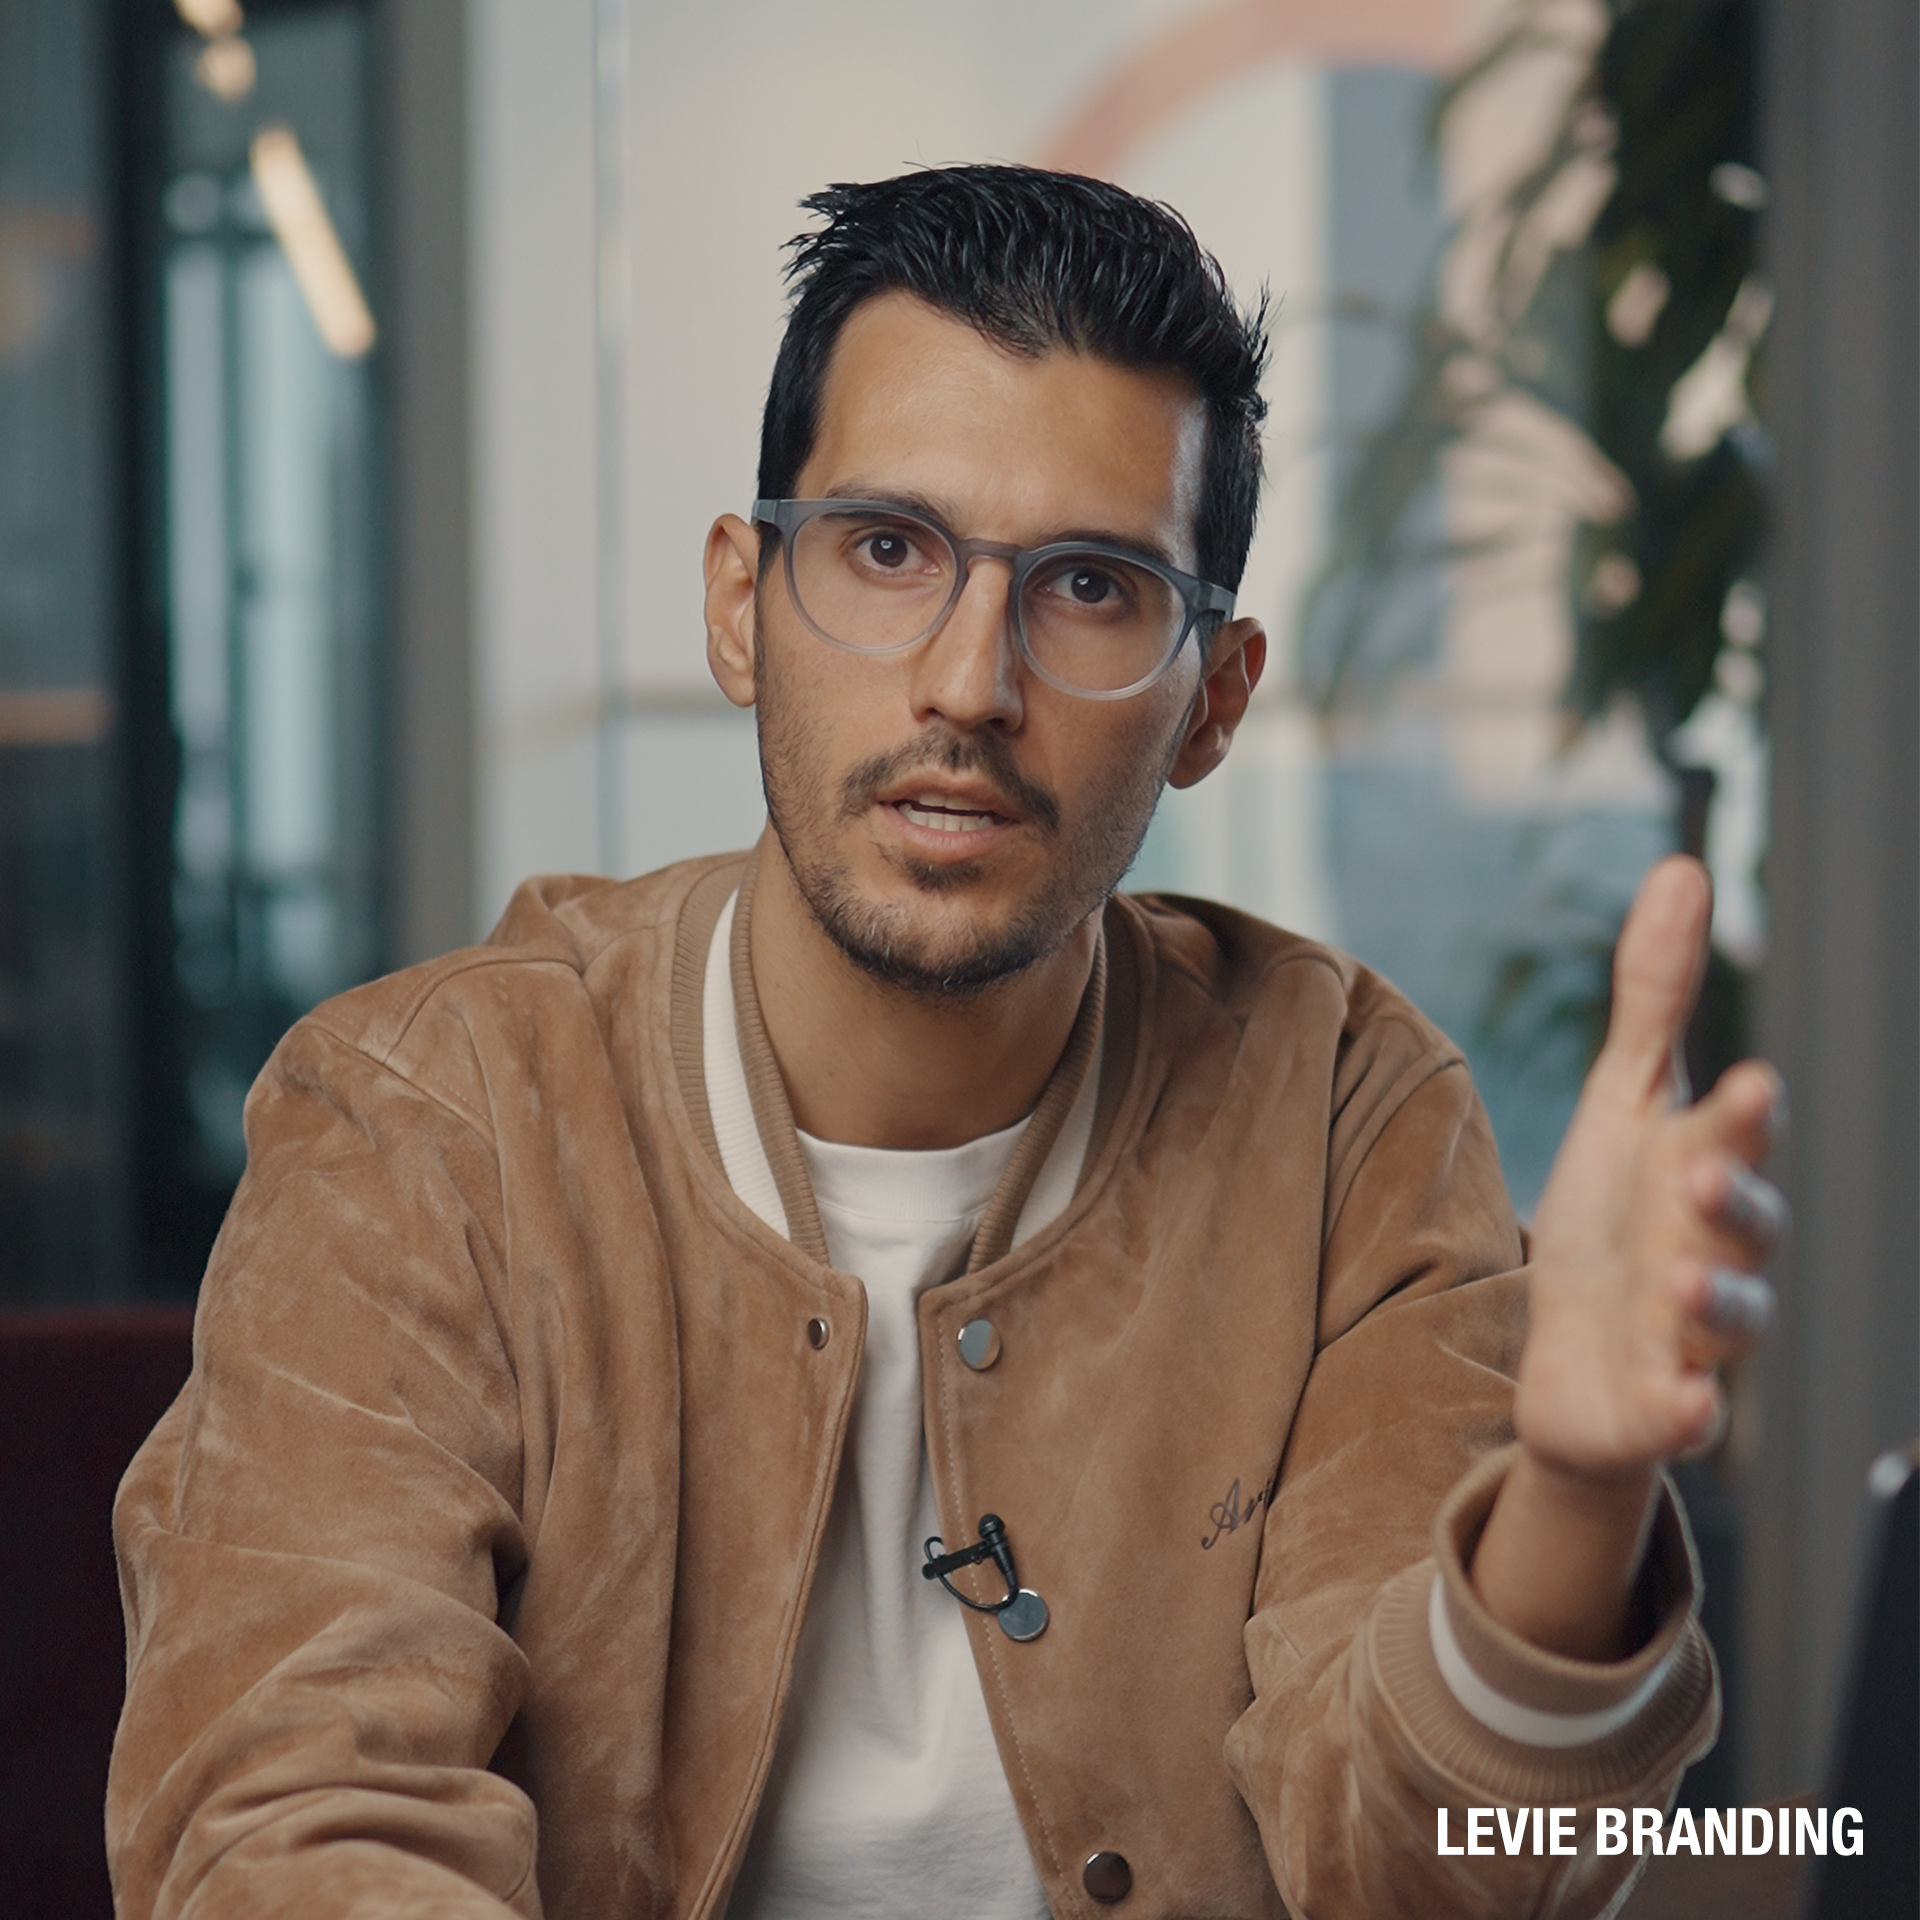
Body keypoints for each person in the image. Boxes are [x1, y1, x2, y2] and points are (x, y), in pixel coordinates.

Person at [108, 166, 1784, 1920]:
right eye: (888, 549)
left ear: (1212, 699)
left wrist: (1575, 1497)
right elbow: (294, 1829)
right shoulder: (426, 1123)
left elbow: (1417, 1878)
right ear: (741, 603)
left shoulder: (1345, 1114)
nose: (970, 682)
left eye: (1090, 586)